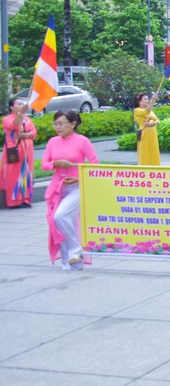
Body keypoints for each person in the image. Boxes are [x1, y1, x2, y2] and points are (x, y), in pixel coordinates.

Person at [42, 110, 98, 270]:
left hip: (77, 187)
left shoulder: (82, 141)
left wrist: (79, 178)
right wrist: (56, 163)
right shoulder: (53, 142)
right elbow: (44, 165)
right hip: (58, 188)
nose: (57, 127)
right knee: (60, 222)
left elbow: (95, 163)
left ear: (73, 124)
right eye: (55, 123)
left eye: (61, 123)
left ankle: (76, 250)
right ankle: (71, 261)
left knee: (60, 216)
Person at [3, 98, 37, 208]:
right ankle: (14, 201)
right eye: (18, 104)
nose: (21, 105)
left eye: (22, 104)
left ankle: (25, 199)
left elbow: (33, 131)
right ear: (11, 107)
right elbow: (14, 125)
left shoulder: (27, 119)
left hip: (27, 151)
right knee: (14, 174)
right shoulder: (7, 119)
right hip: (14, 150)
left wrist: (27, 135)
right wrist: (21, 113)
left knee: (26, 173)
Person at [132, 92, 160, 166]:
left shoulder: (150, 111)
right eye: (145, 99)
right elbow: (146, 112)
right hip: (144, 134)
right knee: (145, 151)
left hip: (152, 134)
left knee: (153, 151)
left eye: (147, 99)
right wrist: (153, 100)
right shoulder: (137, 110)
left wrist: (153, 123)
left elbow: (157, 120)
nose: (147, 100)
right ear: (139, 101)